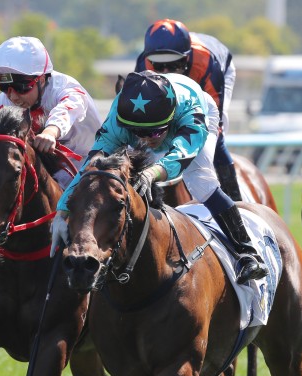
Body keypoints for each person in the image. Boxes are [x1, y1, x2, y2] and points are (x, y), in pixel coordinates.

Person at [51, 70, 268, 284]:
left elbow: (181, 156)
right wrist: (62, 210)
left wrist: (151, 173)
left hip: (201, 109)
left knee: (201, 182)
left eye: (154, 133)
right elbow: (90, 169)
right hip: (147, 114)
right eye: (138, 134)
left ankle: (247, 252)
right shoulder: (119, 120)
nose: (146, 140)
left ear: (170, 121)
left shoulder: (190, 113)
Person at [0, 36, 102, 189]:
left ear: (41, 80)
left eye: (20, 87)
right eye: (5, 87)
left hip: (93, 165)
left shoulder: (65, 87)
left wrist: (51, 132)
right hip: (52, 172)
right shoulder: (4, 102)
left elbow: (69, 107)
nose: (12, 96)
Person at [134, 19, 241, 201]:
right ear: (149, 59)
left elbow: (214, 117)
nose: (167, 72)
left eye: (174, 65)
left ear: (186, 58)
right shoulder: (143, 65)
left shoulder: (206, 62)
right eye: (159, 66)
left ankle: (234, 198)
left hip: (217, 72)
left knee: (214, 134)